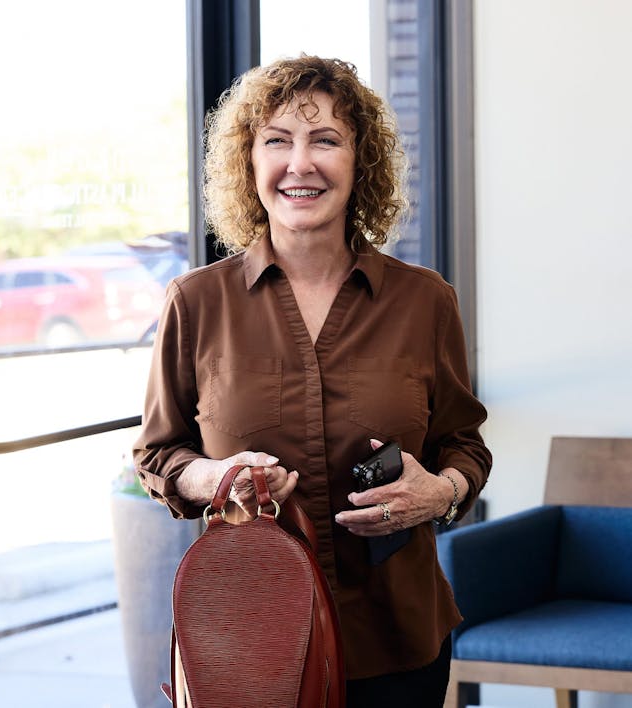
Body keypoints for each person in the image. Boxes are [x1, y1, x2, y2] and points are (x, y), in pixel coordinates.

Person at [133, 55, 491, 708]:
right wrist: (211, 478)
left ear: (360, 165)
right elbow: (158, 456)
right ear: (250, 163)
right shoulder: (195, 303)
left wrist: (439, 492)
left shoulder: (425, 302)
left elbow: (464, 445)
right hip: (254, 646)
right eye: (277, 140)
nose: (301, 164)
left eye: (326, 139)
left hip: (398, 646)